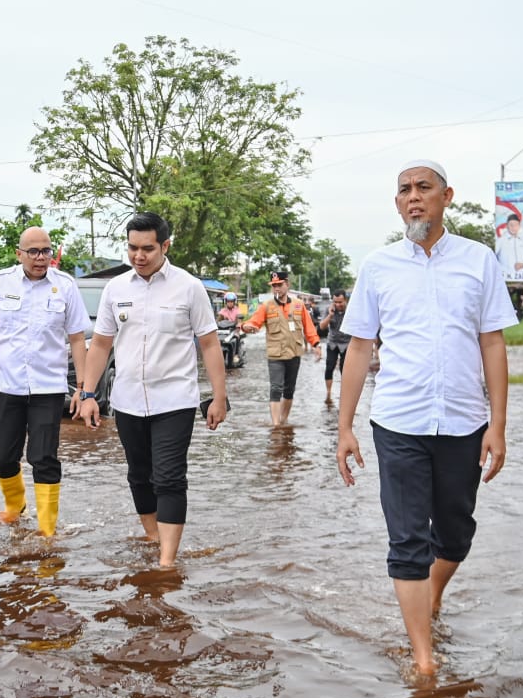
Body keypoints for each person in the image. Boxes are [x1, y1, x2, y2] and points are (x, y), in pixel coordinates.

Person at [336, 160, 516, 678]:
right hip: (397, 422)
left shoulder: (479, 261)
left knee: (456, 533)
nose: (413, 197)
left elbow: (493, 342)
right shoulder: (378, 266)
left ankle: (433, 593)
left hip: (464, 422)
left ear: (446, 196)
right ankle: (423, 658)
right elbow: (359, 348)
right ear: (397, 204)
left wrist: (497, 426)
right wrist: (345, 427)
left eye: (423, 188)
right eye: (404, 191)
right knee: (408, 541)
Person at [76, 212, 228, 568]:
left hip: (175, 398)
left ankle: (166, 562)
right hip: (127, 398)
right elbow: (100, 345)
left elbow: (208, 343)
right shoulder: (116, 289)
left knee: (170, 476)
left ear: (165, 246)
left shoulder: (188, 287)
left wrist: (218, 397)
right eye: (132, 248)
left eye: (147, 248)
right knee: (138, 474)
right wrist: (86, 394)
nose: (138, 256)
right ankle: (152, 535)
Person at [0, 227, 89, 537]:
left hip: (47, 388)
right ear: (19, 253)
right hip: (6, 385)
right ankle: (15, 507)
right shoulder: (1, 282)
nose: (40, 258)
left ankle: (47, 530)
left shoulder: (65, 286)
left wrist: (84, 388)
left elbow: (77, 339)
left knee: (43, 457)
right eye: (33, 251)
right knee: (2, 454)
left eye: (46, 251)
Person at [240, 269, 322, 426]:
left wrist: (316, 344)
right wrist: (247, 326)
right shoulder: (266, 306)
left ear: (287, 285)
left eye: (279, 285)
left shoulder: (299, 306)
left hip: (294, 353)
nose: (276, 288)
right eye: (274, 286)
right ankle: (276, 425)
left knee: (289, 390)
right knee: (276, 388)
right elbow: (252, 322)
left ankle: (284, 421)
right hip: (275, 355)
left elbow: (309, 327)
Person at [318, 289, 350, 403]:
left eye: (340, 302)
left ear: (345, 300)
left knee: (345, 369)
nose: (337, 304)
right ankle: (328, 394)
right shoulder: (329, 310)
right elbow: (321, 327)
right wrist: (330, 315)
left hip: (347, 343)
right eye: (335, 302)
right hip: (332, 343)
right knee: (329, 367)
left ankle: (345, 393)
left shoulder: (351, 311)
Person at [494, 213, 523, 278]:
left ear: (519, 226)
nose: (513, 227)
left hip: (522, 277)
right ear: (507, 226)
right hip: (505, 277)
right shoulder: (500, 241)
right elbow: (492, 256)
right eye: (511, 225)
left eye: (516, 225)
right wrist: (502, 269)